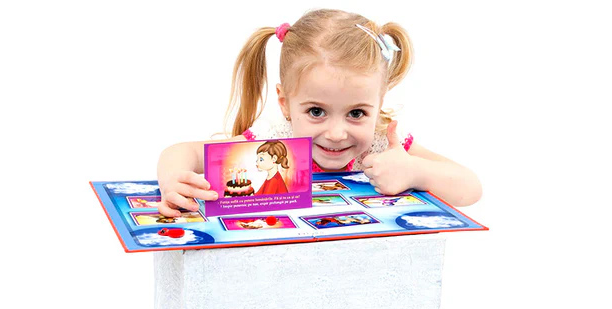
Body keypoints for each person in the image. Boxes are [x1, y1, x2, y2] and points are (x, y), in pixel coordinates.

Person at [157, 9, 482, 218]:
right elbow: (182, 152)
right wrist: (173, 179)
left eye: (357, 113)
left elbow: (470, 187)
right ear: (285, 103)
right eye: (316, 111)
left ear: (379, 101)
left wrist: (414, 171)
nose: (337, 133)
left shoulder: (383, 144)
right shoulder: (274, 141)